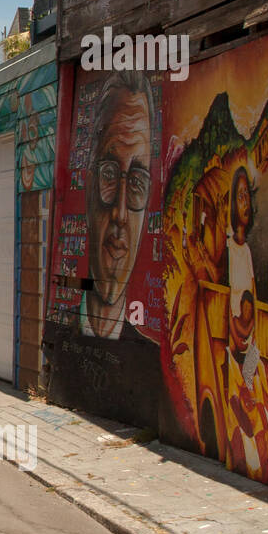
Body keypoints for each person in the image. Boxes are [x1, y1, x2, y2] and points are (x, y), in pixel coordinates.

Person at [81, 67, 155, 341]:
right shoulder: (61, 318)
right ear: (88, 186)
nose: (120, 213)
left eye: (137, 182)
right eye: (109, 175)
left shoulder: (149, 359)